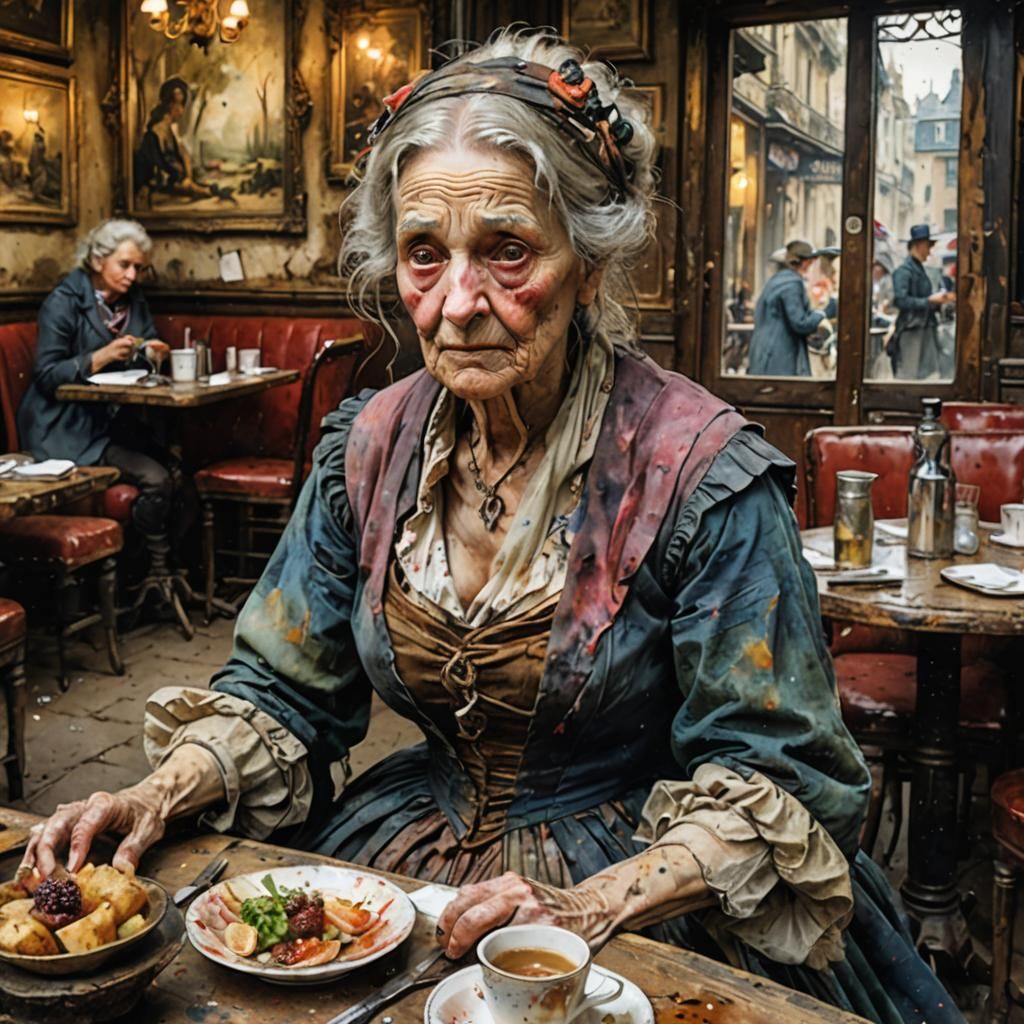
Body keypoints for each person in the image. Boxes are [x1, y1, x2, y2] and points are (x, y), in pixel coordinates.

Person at [23, 30, 962, 1024]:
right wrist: (156, 794)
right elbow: (282, 687)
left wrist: (583, 906)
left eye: (508, 250)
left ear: (590, 262)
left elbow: (782, 775)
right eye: (424, 254)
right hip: (408, 859)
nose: (459, 303)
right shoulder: (369, 447)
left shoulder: (698, 471)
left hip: (646, 893)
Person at [16, 218, 177, 570]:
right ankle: (149, 574)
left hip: (110, 424)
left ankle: (146, 575)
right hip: (64, 428)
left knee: (178, 471)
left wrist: (152, 350)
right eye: (124, 265)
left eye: (138, 268)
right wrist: (99, 357)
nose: (132, 276)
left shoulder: (132, 300)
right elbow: (46, 375)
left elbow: (146, 339)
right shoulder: (63, 302)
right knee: (157, 478)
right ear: (97, 260)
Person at [133, 77, 233, 206]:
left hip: (176, 182)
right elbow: (162, 171)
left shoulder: (169, 130)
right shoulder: (155, 134)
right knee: (207, 193)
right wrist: (189, 184)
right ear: (170, 105)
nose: (181, 111)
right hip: (160, 187)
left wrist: (188, 175)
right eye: (180, 105)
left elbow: (183, 156)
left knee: (211, 189)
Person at [747, 240, 829, 376]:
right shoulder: (792, 284)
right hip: (778, 354)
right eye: (810, 261)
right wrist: (819, 314)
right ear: (805, 262)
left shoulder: (777, 280)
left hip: (766, 351)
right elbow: (800, 323)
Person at [888, 224, 953, 379]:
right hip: (911, 330)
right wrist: (929, 301)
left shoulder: (920, 270)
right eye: (927, 247)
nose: (929, 252)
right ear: (918, 245)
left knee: (926, 375)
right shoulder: (904, 271)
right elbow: (901, 300)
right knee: (909, 376)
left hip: (925, 329)